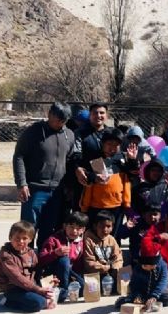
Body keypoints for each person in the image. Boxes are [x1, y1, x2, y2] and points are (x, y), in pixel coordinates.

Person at [13, 102, 76, 247]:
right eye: (57, 118)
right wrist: (22, 183)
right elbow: (19, 157)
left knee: (49, 230)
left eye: (63, 120)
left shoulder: (69, 135)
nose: (59, 122)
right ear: (49, 114)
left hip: (57, 191)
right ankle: (25, 262)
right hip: (35, 190)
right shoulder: (33, 132)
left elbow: (71, 160)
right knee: (28, 229)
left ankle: (43, 262)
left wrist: (70, 185)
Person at [78, 128, 136, 237]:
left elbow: (132, 174)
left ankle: (112, 253)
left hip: (116, 206)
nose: (112, 148)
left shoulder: (122, 159)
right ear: (102, 143)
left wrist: (132, 159)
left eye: (116, 145)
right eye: (109, 144)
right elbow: (87, 175)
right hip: (96, 206)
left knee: (113, 235)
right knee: (95, 234)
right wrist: (95, 177)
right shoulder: (96, 158)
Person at [0, 221, 55, 312]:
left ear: (30, 239)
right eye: (17, 238)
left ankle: (39, 298)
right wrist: (38, 289)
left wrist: (48, 280)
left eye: (24, 238)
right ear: (10, 238)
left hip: (29, 286)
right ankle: (8, 301)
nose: (21, 241)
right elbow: (16, 278)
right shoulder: (6, 255)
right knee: (38, 303)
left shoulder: (30, 252)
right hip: (14, 289)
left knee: (60, 293)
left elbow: (37, 270)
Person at [38, 211, 88, 302]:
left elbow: (79, 264)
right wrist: (55, 253)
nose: (74, 231)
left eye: (78, 228)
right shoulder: (54, 239)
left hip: (70, 274)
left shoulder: (81, 242)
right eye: (71, 227)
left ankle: (62, 292)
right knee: (64, 260)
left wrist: (78, 279)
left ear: (83, 230)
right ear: (65, 226)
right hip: (54, 274)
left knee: (84, 288)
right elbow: (40, 259)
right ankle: (63, 290)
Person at [115, 238, 168, 311]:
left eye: (151, 266)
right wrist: (137, 295)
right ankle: (138, 300)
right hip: (142, 292)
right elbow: (134, 283)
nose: (147, 268)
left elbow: (162, 282)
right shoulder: (138, 267)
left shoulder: (163, 266)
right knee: (123, 301)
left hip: (156, 292)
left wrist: (154, 296)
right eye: (145, 266)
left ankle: (149, 301)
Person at [82, 210, 123, 281]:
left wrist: (115, 267)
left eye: (108, 226)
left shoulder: (111, 239)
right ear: (95, 226)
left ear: (112, 227)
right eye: (101, 226)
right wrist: (105, 267)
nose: (105, 230)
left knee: (125, 275)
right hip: (93, 273)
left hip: (109, 271)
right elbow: (88, 262)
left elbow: (118, 257)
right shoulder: (88, 238)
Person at [127, 201, 161, 266]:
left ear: (160, 215)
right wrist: (126, 227)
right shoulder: (136, 224)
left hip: (156, 258)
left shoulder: (161, 226)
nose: (152, 217)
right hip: (139, 258)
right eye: (150, 215)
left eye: (155, 214)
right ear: (144, 215)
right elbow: (122, 235)